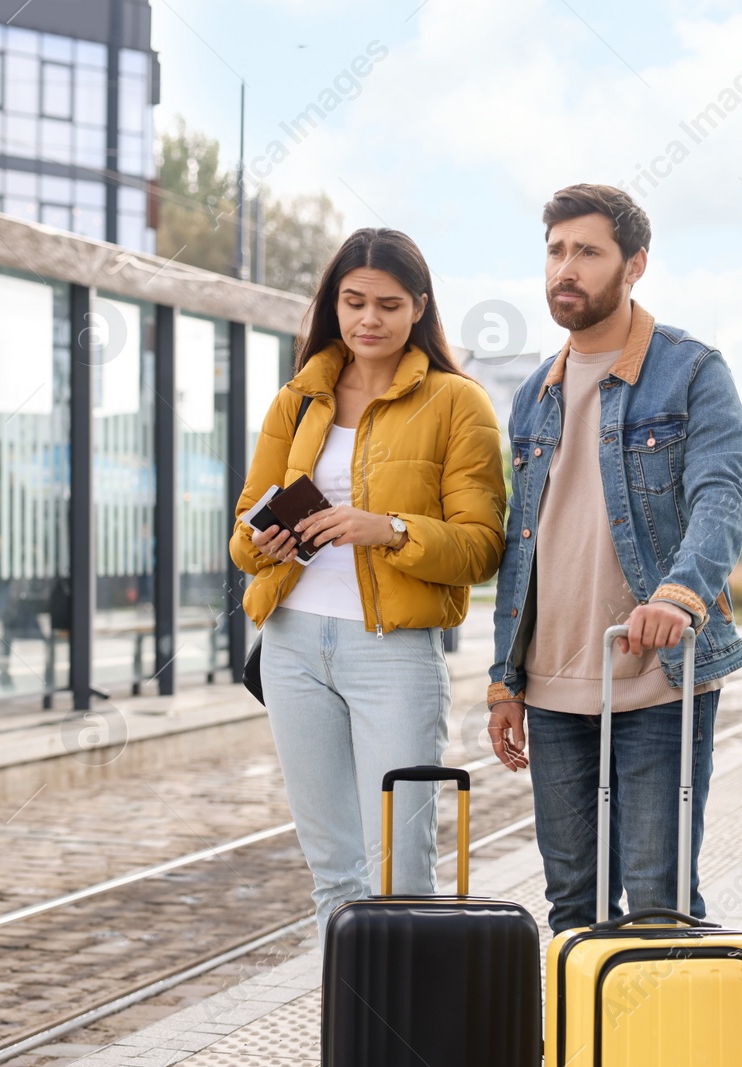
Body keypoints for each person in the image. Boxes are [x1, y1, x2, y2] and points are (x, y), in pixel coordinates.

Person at [486, 184, 742, 934]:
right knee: (573, 904)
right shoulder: (533, 395)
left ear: (634, 264)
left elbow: (724, 496)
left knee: (657, 902)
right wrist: (503, 678)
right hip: (552, 689)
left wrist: (677, 595)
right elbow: (521, 543)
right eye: (555, 251)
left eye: (587, 251)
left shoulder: (691, 372)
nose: (564, 268)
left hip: (656, 688)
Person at [229, 228, 506, 938]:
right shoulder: (299, 399)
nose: (368, 320)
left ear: (419, 307)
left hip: (394, 656)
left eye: (387, 304)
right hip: (291, 647)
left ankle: (414, 1038)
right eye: (353, 302)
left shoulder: (457, 403)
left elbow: (482, 548)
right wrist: (265, 541)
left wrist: (388, 529)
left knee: (401, 873)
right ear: (333, 304)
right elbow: (241, 536)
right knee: (335, 875)